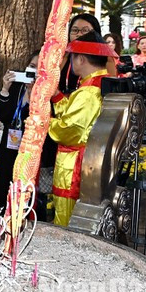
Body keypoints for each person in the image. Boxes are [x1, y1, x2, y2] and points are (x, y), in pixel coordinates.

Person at [48, 31, 116, 226]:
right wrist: (57, 97)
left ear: (81, 59)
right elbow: (76, 117)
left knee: (66, 220)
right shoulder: (100, 83)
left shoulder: (88, 91)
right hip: (89, 162)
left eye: (73, 57)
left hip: (74, 166)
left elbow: (70, 130)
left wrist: (42, 121)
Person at [0, 52, 57, 218]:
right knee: (3, 188)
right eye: (32, 66)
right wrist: (5, 89)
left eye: (39, 69)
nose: (33, 71)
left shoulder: (49, 93)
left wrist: (34, 93)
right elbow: (2, 113)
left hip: (34, 154)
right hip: (10, 149)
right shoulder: (17, 86)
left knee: (29, 195)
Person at [59, 13, 101, 94]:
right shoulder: (62, 57)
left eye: (85, 30)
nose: (78, 34)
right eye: (75, 30)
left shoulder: (103, 59)